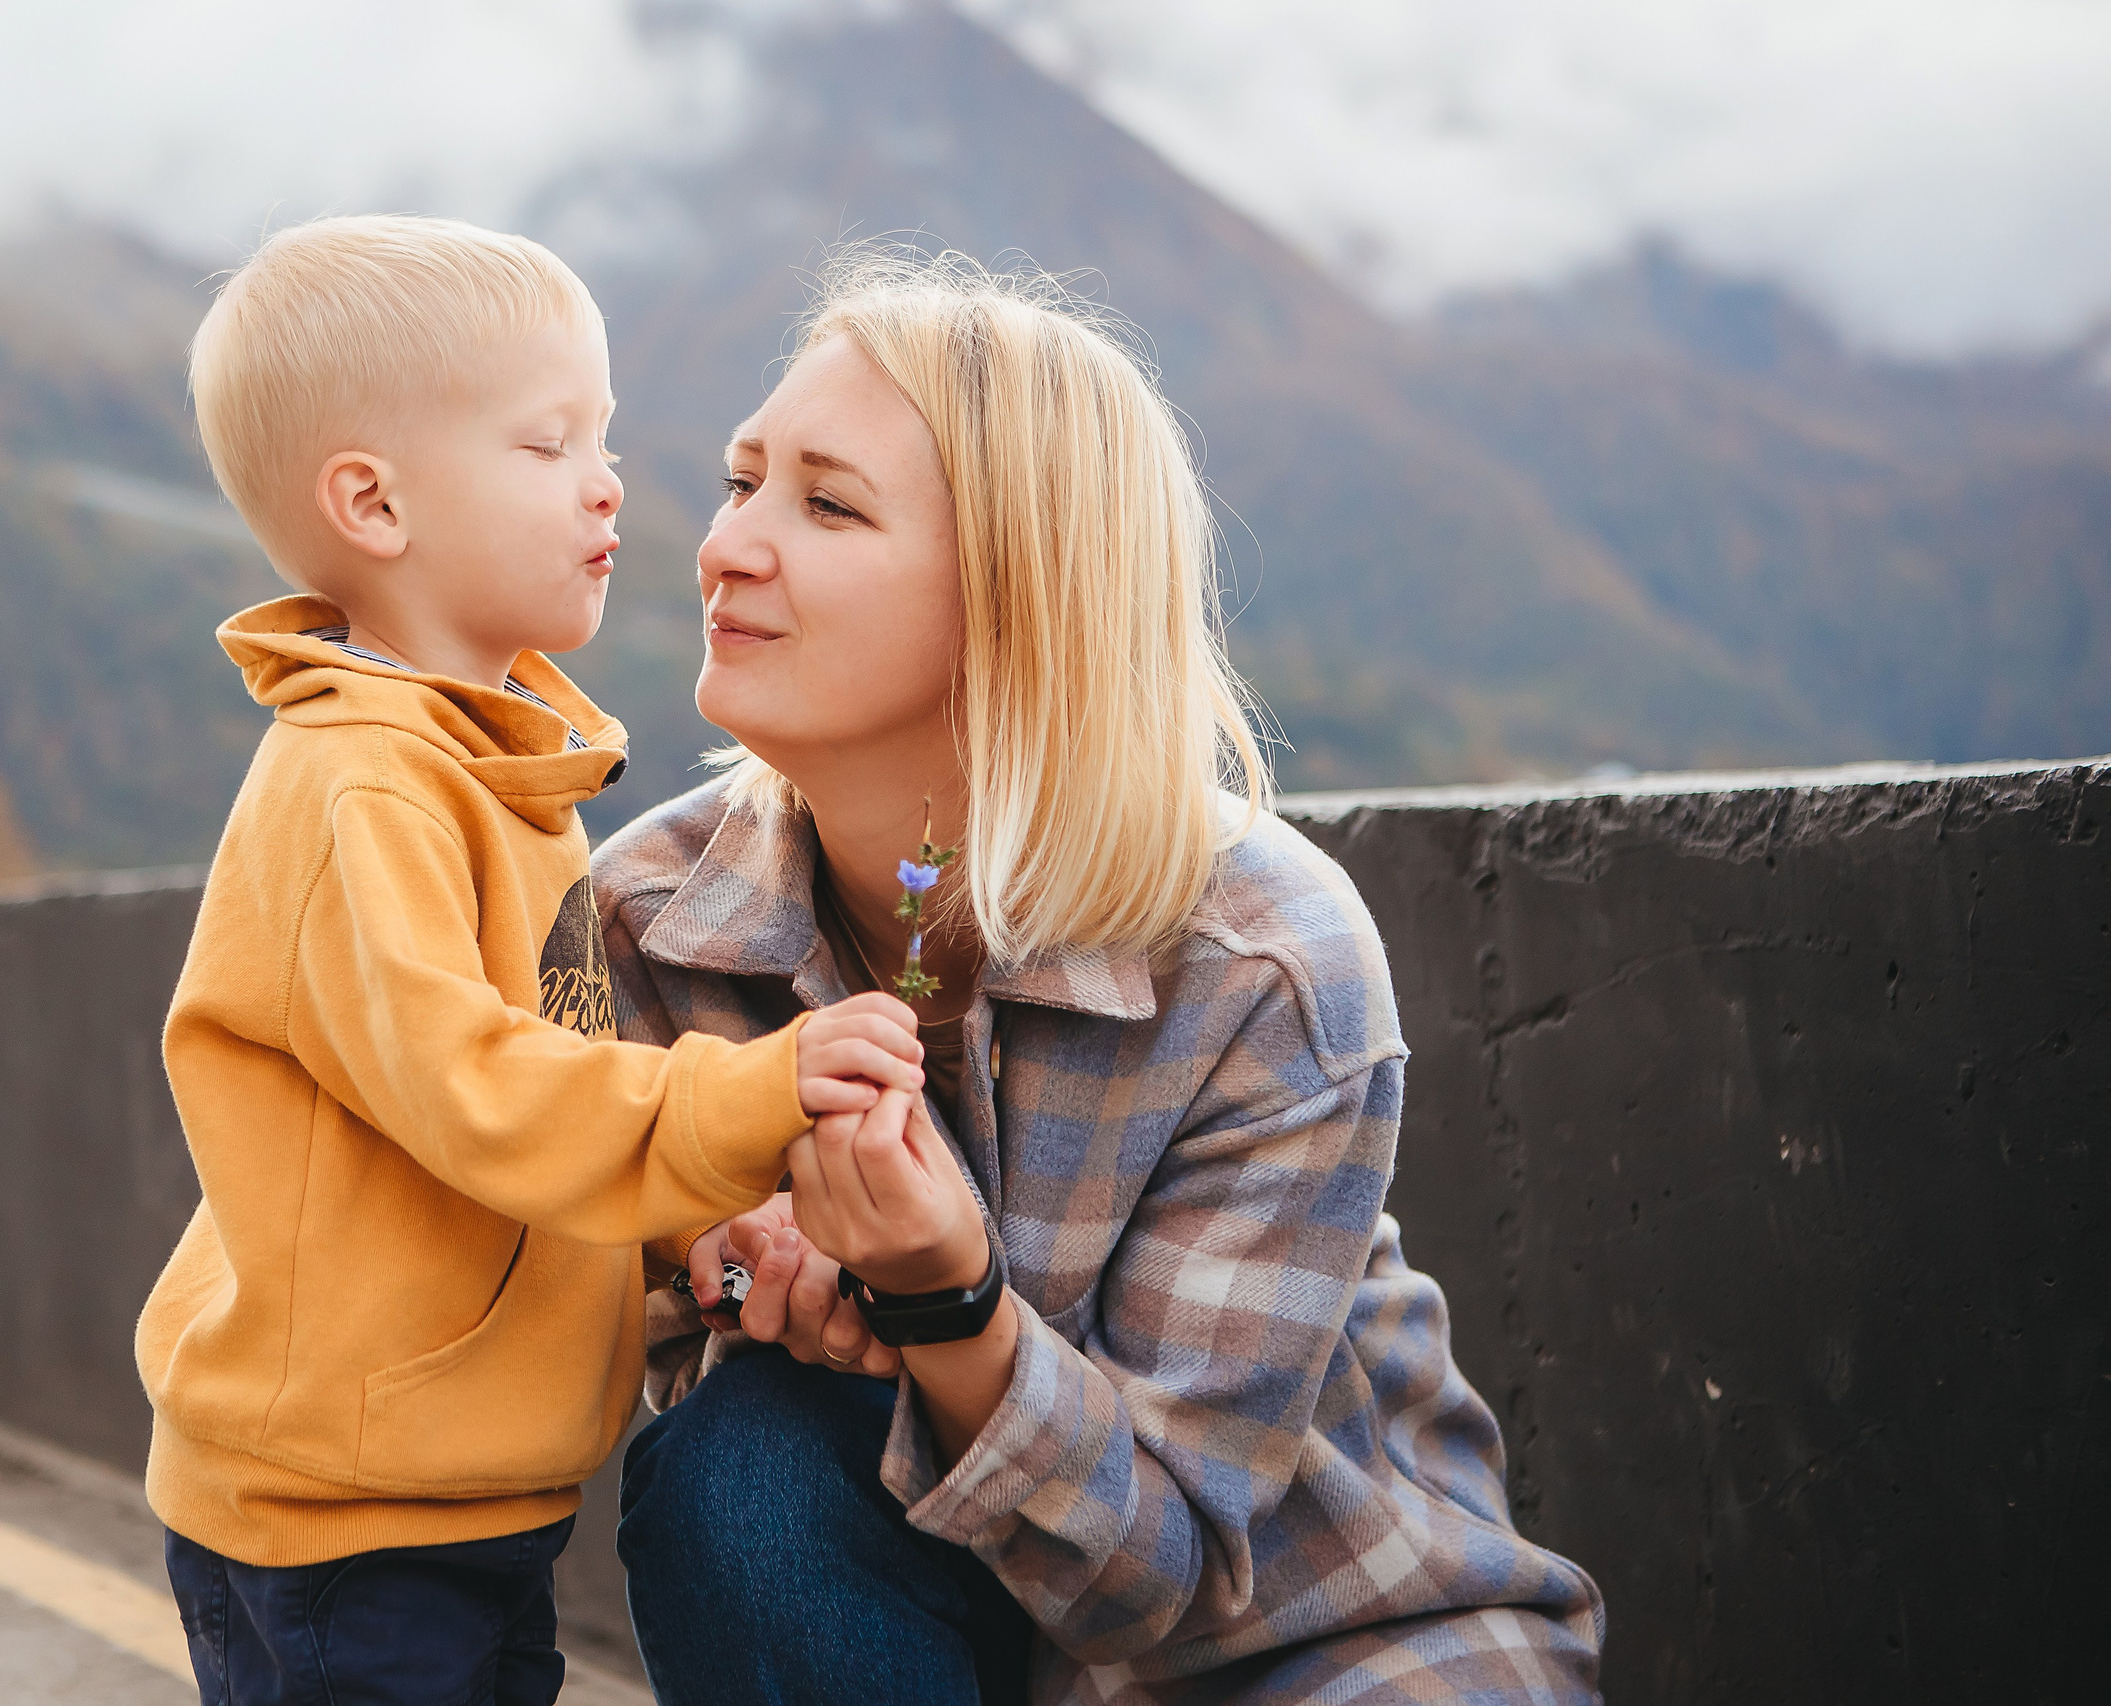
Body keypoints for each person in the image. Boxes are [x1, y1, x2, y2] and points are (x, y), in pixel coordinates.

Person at [596, 251, 1607, 1704]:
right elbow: (642, 1369)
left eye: (824, 503)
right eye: (740, 481)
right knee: (741, 1456)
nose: (728, 545)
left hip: (1319, 1645)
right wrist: (744, 1281)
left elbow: (1166, 1578)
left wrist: (949, 1302)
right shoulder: (646, 918)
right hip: (919, 1627)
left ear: (1018, 592)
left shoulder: (1263, 953)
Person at [134, 215, 927, 1706]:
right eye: (550, 442)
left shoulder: (493, 772)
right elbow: (475, 1089)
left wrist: (677, 1234)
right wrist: (736, 1103)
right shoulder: (361, 787)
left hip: (459, 1488)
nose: (609, 481)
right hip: (346, 1518)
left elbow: (518, 1131)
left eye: (606, 439)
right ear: (373, 502)